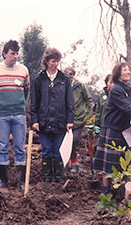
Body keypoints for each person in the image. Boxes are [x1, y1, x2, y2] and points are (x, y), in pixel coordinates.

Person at [92, 62, 131, 194]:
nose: (128, 72)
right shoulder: (116, 89)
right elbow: (126, 108)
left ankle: (123, 192)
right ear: (118, 73)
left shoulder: (128, 90)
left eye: (128, 70)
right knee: (109, 163)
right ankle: (105, 192)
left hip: (125, 130)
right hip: (112, 129)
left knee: (126, 162)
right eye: (124, 70)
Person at [0, 40, 30, 188]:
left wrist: (19, 104)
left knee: (20, 146)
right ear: (5, 54)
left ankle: (21, 181)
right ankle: (3, 181)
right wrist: (1, 104)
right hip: (2, 115)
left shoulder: (23, 70)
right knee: (2, 146)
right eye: (12, 53)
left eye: (17, 53)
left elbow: (26, 91)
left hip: (19, 114)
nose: (15, 56)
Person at [31, 48, 74, 183]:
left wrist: (69, 120)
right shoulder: (39, 79)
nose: (55, 64)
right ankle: (47, 179)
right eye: (53, 61)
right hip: (43, 122)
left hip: (60, 122)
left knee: (58, 151)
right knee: (46, 151)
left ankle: (59, 178)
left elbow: (69, 101)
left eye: (57, 61)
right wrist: (35, 120)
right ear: (47, 62)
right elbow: (34, 102)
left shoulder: (64, 79)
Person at [64, 66, 93, 173]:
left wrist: (86, 116)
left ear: (73, 76)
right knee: (65, 142)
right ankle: (66, 163)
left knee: (74, 140)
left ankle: (74, 163)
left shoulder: (80, 86)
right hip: (65, 119)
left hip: (78, 119)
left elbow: (89, 101)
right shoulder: (62, 86)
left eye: (70, 77)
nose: (69, 79)